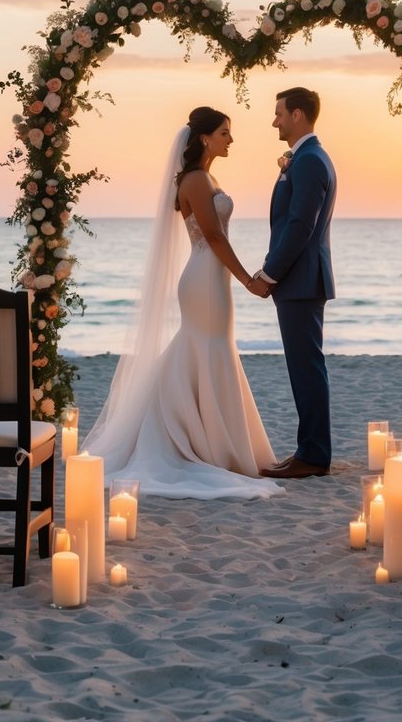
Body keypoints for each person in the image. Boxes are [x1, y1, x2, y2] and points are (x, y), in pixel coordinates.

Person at [82, 106, 282, 498]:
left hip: (212, 279)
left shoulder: (208, 177)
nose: (231, 139)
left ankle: (212, 439)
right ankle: (202, 443)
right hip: (205, 279)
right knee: (205, 348)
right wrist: (247, 281)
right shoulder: (194, 180)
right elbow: (213, 237)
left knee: (209, 349)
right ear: (205, 137)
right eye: (225, 132)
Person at [255, 87, 337, 480]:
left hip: (301, 280)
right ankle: (309, 449)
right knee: (304, 367)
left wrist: (270, 273)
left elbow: (300, 225)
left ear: (298, 115)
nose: (275, 121)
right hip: (301, 280)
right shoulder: (306, 158)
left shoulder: (309, 161)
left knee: (306, 368)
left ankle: (315, 455)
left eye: (279, 114)